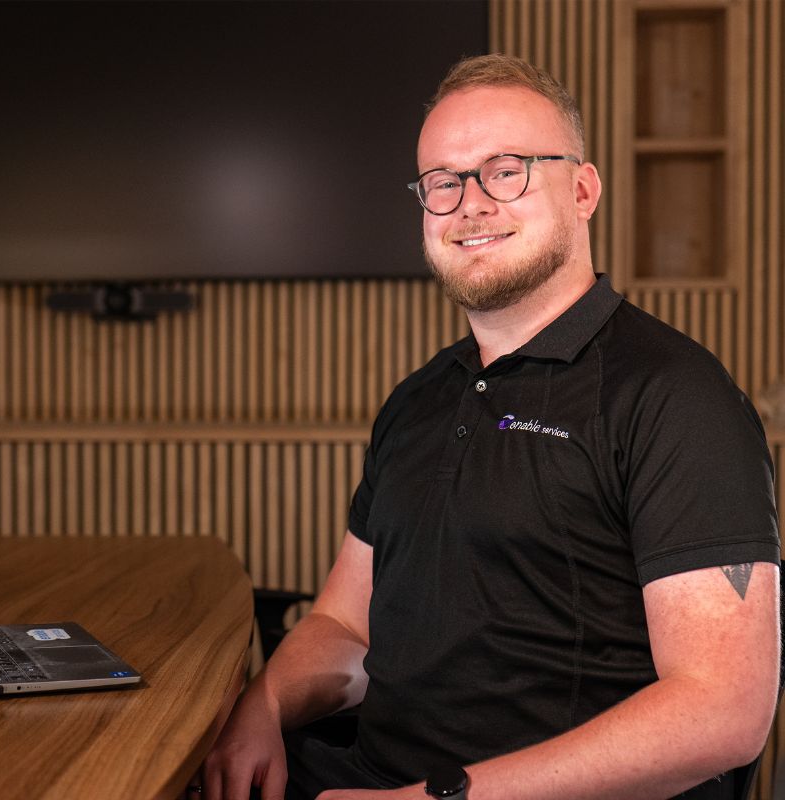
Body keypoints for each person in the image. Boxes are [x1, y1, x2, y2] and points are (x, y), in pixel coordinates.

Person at [198, 54, 782, 800]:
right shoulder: (416, 402)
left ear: (582, 188)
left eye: (506, 170)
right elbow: (347, 627)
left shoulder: (675, 398)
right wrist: (263, 706)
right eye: (443, 182)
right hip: (367, 777)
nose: (469, 203)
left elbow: (723, 712)